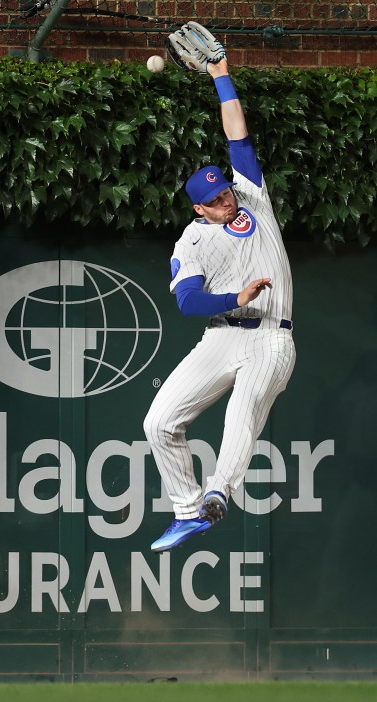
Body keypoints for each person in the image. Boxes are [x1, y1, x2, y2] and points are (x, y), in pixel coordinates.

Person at [143, 43, 296, 552]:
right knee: (159, 421)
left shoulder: (252, 195)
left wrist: (221, 75)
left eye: (224, 191)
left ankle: (216, 494)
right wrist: (235, 295)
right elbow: (188, 302)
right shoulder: (192, 241)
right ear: (199, 209)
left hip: (272, 339)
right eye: (213, 200)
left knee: (244, 407)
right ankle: (188, 510)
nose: (224, 200)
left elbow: (238, 135)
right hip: (222, 336)